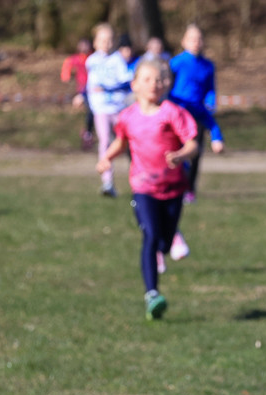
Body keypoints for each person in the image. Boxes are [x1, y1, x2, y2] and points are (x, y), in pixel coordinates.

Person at [96, 57, 198, 320]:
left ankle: (167, 245)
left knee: (163, 242)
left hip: (174, 188)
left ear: (166, 84)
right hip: (143, 188)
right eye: (147, 79)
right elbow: (121, 141)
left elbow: (193, 144)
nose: (154, 84)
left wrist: (180, 155)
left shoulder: (172, 112)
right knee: (150, 235)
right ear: (135, 85)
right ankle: (152, 294)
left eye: (158, 79)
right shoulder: (127, 117)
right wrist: (107, 157)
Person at [169, 24, 225, 204]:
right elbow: (166, 87)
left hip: (197, 115)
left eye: (199, 39)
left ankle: (190, 190)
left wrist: (210, 102)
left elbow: (210, 90)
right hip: (178, 114)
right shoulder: (175, 63)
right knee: (177, 153)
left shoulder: (208, 66)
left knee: (195, 153)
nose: (196, 42)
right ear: (184, 42)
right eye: (192, 39)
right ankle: (174, 186)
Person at [86, 23, 132, 197]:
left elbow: (124, 82)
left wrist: (107, 88)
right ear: (95, 42)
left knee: (128, 143)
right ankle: (107, 182)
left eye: (110, 40)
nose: (106, 43)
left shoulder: (118, 59)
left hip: (119, 110)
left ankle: (138, 180)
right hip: (101, 110)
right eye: (102, 40)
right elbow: (92, 87)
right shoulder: (91, 61)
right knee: (105, 142)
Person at [61, 38, 95, 149]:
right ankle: (87, 134)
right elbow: (67, 65)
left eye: (86, 45)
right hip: (82, 90)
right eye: (82, 45)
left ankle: (89, 133)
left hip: (94, 89)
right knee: (90, 110)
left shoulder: (93, 58)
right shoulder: (76, 59)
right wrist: (66, 75)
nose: (84, 48)